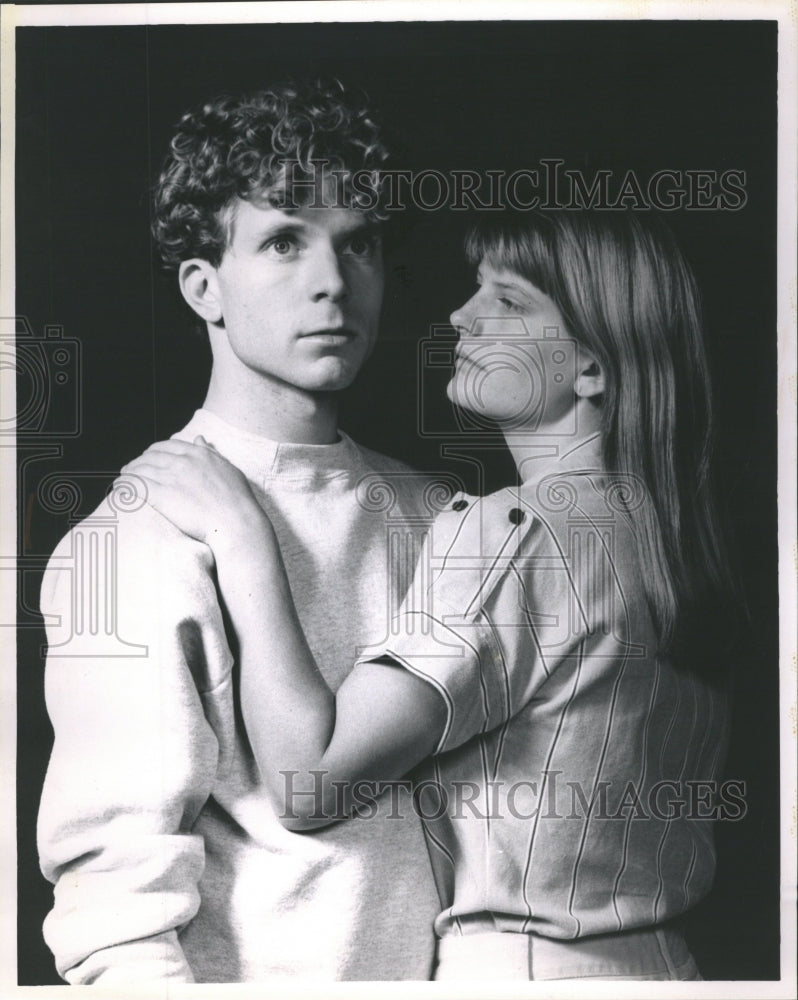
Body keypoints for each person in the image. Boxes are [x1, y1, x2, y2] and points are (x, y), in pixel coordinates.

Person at [123, 208, 736, 981]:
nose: (461, 314)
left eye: (509, 302)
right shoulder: (667, 537)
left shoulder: (512, 531)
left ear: (592, 369)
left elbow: (309, 780)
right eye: (478, 287)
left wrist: (241, 538)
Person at [36, 80, 442, 983]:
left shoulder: (438, 516)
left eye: (359, 244)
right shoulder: (130, 543)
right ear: (203, 288)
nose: (333, 281)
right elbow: (115, 913)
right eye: (284, 242)